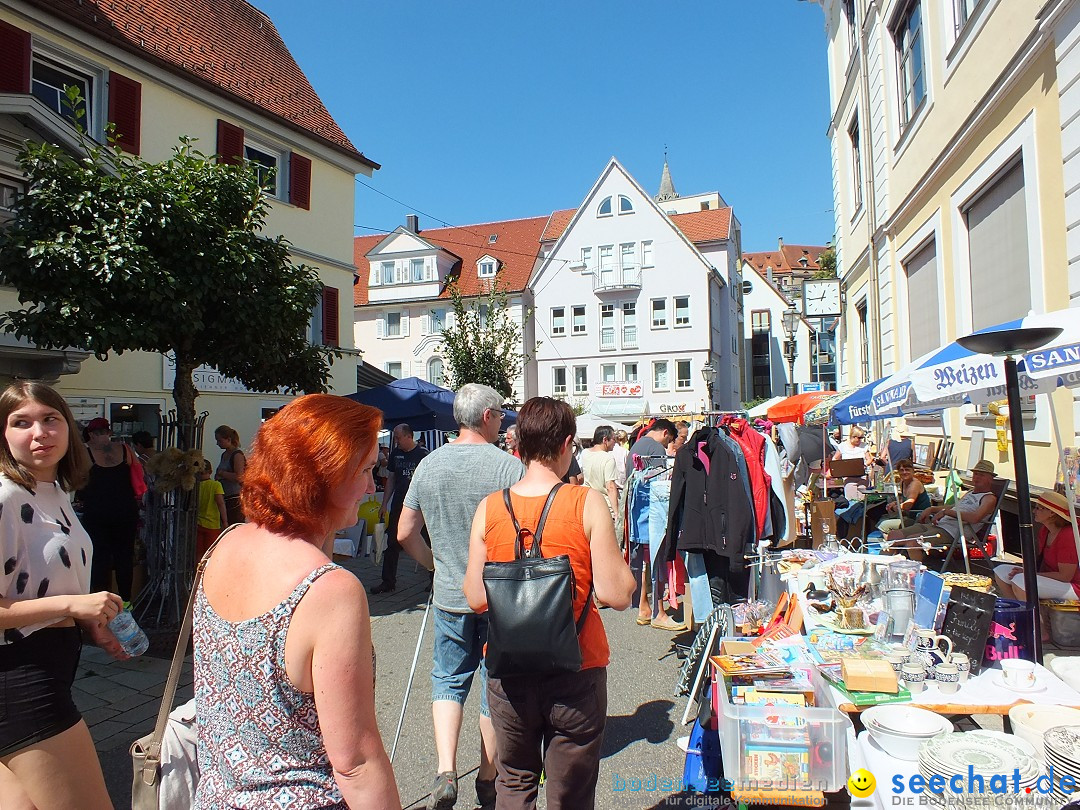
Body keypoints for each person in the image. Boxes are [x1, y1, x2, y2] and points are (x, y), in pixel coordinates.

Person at [193, 394, 399, 808]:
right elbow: (355, 761)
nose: (372, 486)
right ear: (322, 476)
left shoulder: (225, 544)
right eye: (363, 471)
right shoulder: (328, 588)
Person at [463, 397, 636, 809]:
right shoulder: (585, 502)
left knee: (515, 782)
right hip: (576, 667)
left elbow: (473, 597)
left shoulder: (489, 508)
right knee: (569, 793)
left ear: (518, 446)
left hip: (509, 671)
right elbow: (617, 594)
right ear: (567, 444)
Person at [396, 384, 524, 810]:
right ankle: (487, 777)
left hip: (450, 594)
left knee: (447, 680)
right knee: (494, 684)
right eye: (501, 413)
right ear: (486, 416)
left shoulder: (429, 465)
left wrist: (433, 564)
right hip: (498, 597)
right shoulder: (509, 468)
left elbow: (404, 532)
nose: (504, 419)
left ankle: (445, 768)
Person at [0, 380, 126, 810]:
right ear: (3, 433)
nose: (40, 433)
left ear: (69, 429)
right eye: (22, 422)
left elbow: (46, 578)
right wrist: (73, 605)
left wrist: (88, 622)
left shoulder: (54, 492)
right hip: (20, 679)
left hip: (50, 665)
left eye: (51, 419)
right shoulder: (5, 497)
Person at [78, 417, 140, 601]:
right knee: (124, 557)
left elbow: (78, 480)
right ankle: (127, 602)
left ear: (90, 434)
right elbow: (139, 473)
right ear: (109, 432)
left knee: (99, 558)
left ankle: (102, 602)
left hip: (97, 512)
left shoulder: (85, 452)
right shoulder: (125, 449)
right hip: (125, 510)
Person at [887, 459, 999, 556]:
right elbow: (953, 507)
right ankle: (883, 570)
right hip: (937, 525)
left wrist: (946, 512)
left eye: (981, 475)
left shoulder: (989, 498)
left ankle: (918, 575)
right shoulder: (970, 492)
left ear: (990, 479)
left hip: (952, 532)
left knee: (912, 542)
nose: (977, 477)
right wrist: (932, 509)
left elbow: (975, 518)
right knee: (893, 536)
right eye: (976, 474)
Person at [370, 423, 429, 594]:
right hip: (399, 505)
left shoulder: (423, 455)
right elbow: (391, 480)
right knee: (392, 542)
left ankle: (434, 581)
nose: (396, 441)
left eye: (398, 438)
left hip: (420, 507)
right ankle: (388, 582)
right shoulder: (396, 454)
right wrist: (384, 504)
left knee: (428, 541)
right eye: (394, 438)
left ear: (409, 436)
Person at [996, 491, 1080, 602]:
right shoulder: (1045, 531)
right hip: (1056, 581)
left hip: (1074, 587)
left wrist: (1029, 573)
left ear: (1052, 513)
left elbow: (1065, 576)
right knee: (1000, 571)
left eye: (1038, 508)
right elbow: (1043, 564)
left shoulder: (1068, 535)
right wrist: (1026, 571)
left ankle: (1035, 619)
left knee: (1021, 581)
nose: (1034, 511)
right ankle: (1017, 611)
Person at [876, 459, 931, 533]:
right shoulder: (903, 482)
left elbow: (909, 504)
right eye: (902, 470)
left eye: (907, 470)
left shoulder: (915, 484)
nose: (904, 472)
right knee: (881, 517)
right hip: (909, 516)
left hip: (919, 518)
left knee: (884, 525)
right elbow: (904, 499)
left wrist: (897, 507)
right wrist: (895, 503)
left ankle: (892, 543)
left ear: (913, 471)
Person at [581, 426, 620, 518]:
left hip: (589, 502)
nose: (615, 442)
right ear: (605, 440)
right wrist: (617, 512)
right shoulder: (608, 458)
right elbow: (610, 486)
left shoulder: (585, 453)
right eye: (614, 439)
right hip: (605, 505)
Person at [213, 425, 246, 525]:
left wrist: (222, 474)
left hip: (234, 498)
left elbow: (240, 477)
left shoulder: (237, 455)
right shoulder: (224, 454)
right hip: (225, 496)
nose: (217, 443)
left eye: (220, 440)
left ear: (228, 439)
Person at [195, 459, 226, 559]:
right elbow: (220, 503)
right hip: (212, 525)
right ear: (210, 471)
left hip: (198, 523)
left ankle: (197, 571)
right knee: (210, 553)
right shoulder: (216, 485)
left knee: (199, 553)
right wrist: (225, 521)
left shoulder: (195, 487)